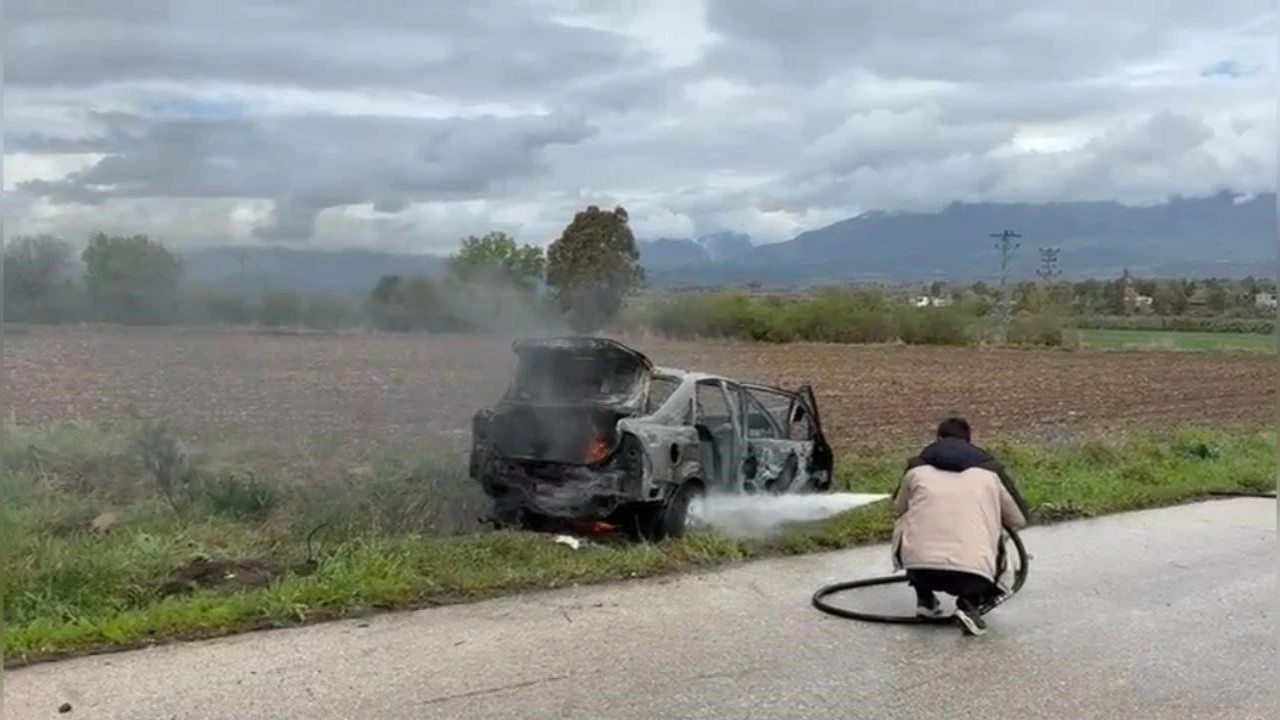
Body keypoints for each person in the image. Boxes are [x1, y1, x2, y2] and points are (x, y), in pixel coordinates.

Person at [891, 417, 1029, 636]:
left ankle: (925, 601)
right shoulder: (991, 472)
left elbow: (898, 508)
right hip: (973, 575)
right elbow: (1019, 519)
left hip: (920, 569)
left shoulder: (916, 468)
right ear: (969, 441)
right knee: (994, 535)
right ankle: (969, 604)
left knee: (909, 520)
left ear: (938, 438)